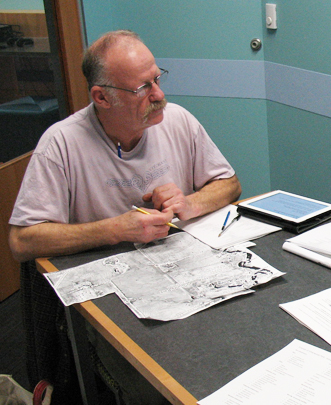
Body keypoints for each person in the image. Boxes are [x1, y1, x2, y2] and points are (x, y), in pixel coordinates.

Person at [8, 30, 241, 404]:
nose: (159, 95)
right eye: (142, 88)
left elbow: (228, 184)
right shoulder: (61, 144)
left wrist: (190, 203)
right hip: (108, 302)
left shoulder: (177, 120)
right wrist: (115, 229)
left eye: (158, 79)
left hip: (183, 280)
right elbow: (22, 240)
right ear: (102, 97)